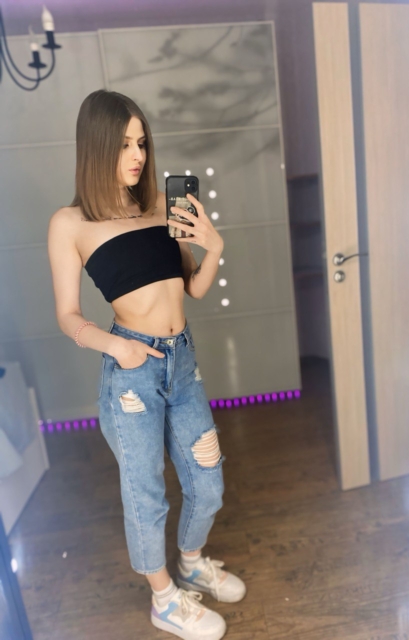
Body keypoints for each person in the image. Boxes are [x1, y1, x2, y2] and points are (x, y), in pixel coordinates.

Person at [47, 89, 246, 640]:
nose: (137, 155)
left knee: (208, 481)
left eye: (141, 142)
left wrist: (214, 247)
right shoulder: (71, 223)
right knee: (145, 493)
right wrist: (117, 348)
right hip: (131, 373)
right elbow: (66, 315)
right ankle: (164, 599)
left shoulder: (161, 205)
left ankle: (191, 563)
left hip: (183, 362)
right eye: (123, 144)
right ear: (96, 146)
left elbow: (194, 289)